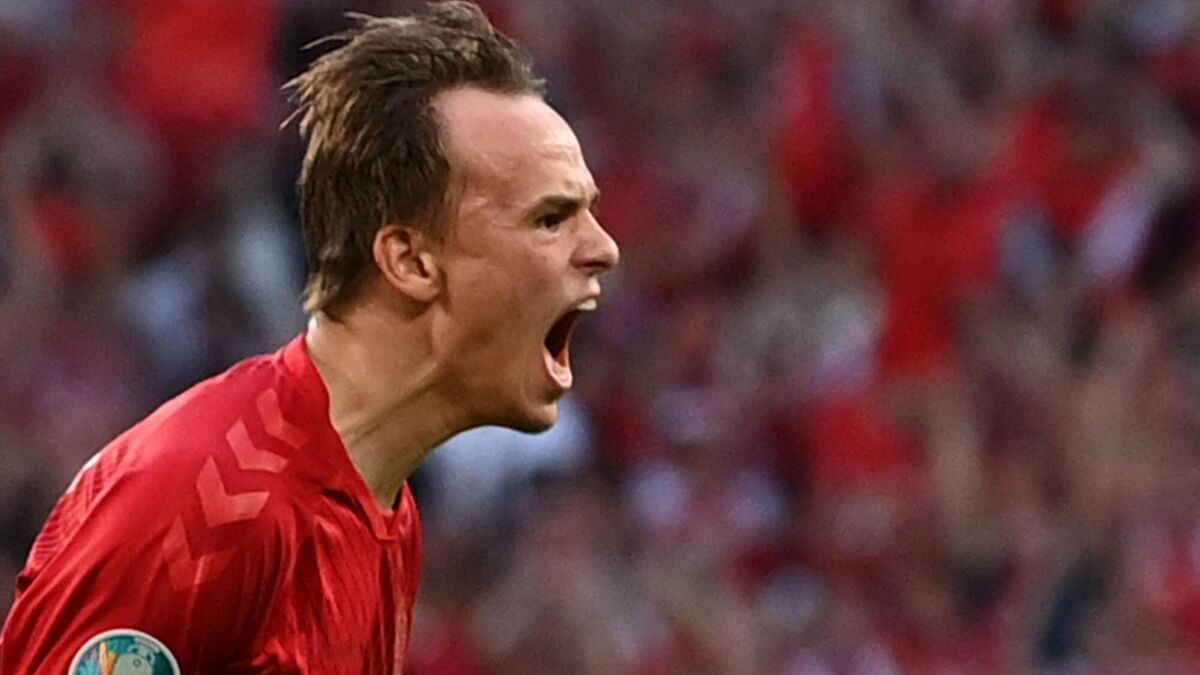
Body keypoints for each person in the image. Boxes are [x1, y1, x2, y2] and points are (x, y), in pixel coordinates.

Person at [0, 2, 619, 672]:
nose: (601, 250)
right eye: (547, 220)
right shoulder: (205, 503)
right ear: (411, 262)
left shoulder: (387, 511)